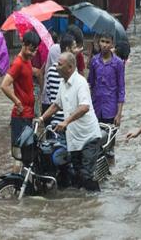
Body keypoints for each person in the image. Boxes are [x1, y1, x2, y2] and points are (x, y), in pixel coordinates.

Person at [40, 52, 102, 192]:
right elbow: (56, 105)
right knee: (76, 176)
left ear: (70, 67)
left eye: (59, 65)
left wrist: (66, 121)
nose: (56, 67)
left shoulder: (80, 82)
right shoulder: (63, 83)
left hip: (88, 137)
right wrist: (41, 118)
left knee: (87, 176)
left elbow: (85, 106)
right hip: (73, 138)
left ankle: (96, 203)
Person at [1, 31, 41, 170]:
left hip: (28, 114)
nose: (32, 53)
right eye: (30, 49)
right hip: (20, 116)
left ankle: (23, 186)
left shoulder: (27, 61)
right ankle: (17, 186)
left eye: (34, 50)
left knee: (27, 155)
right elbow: (4, 85)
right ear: (23, 45)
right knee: (19, 156)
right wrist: (17, 102)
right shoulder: (18, 63)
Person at [88, 33, 125, 159]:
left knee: (109, 147)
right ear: (98, 42)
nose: (104, 45)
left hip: (111, 109)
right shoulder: (94, 61)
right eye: (102, 41)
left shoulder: (118, 63)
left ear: (112, 44)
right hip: (96, 107)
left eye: (107, 42)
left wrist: (119, 114)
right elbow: (90, 84)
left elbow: (121, 89)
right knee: (95, 143)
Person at [45, 34, 77, 126]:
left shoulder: (50, 70)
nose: (76, 51)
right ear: (68, 49)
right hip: (69, 121)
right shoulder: (71, 71)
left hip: (54, 119)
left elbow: (49, 94)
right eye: (74, 48)